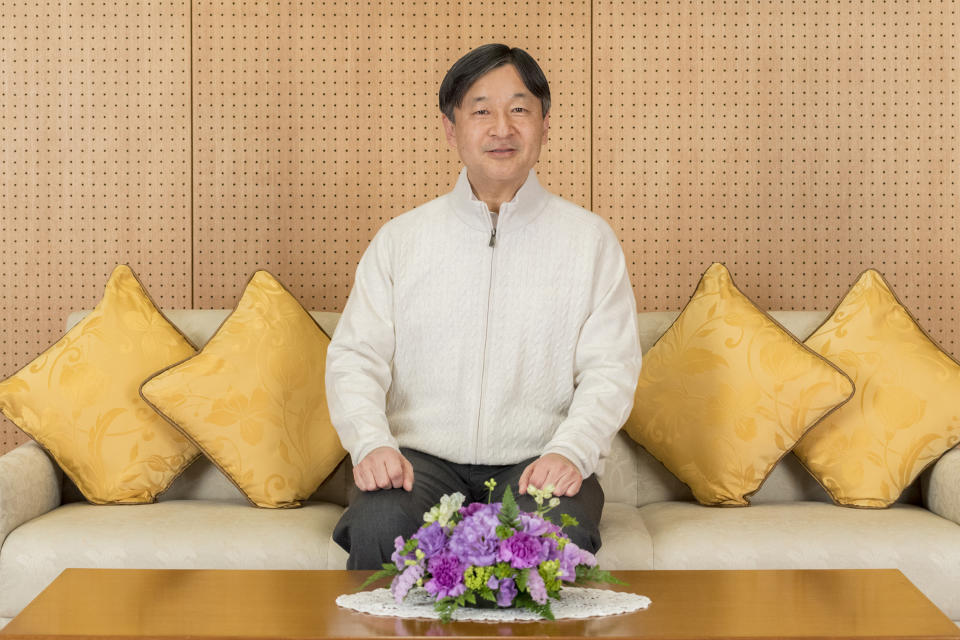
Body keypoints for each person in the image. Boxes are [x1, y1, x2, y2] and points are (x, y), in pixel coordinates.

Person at [325, 43, 642, 570]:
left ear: (545, 125)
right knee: (379, 522)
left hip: (537, 461)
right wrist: (371, 443)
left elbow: (611, 368)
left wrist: (571, 451)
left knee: (558, 530)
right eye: (481, 110)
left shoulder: (590, 241)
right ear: (452, 129)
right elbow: (356, 357)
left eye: (520, 109)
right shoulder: (401, 240)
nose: (502, 128)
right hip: (419, 462)